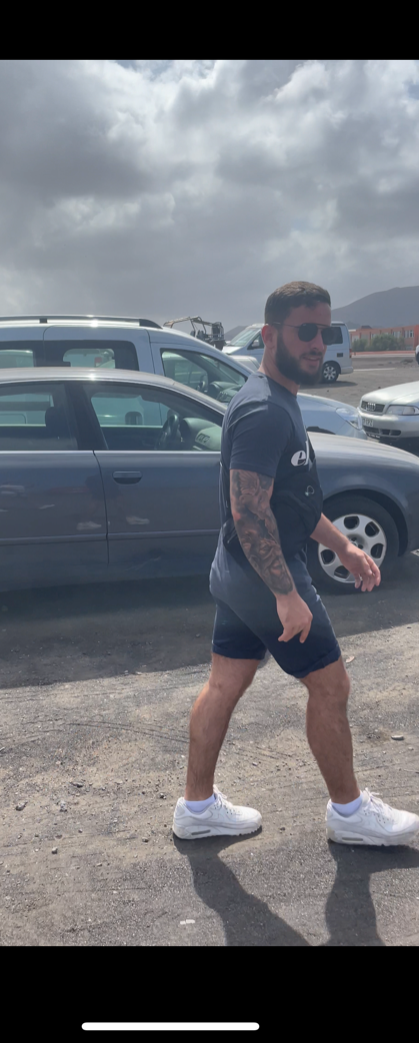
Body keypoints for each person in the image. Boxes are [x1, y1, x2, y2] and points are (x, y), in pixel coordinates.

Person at [173, 281, 419, 847]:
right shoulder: (264, 410)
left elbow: (291, 503)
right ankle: (350, 813)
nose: (317, 344)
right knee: (331, 686)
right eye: (305, 331)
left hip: (238, 572)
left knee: (224, 683)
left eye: (325, 332)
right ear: (269, 334)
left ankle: (197, 807)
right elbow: (249, 512)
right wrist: (286, 594)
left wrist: (343, 546)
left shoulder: (277, 397)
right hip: (266, 576)